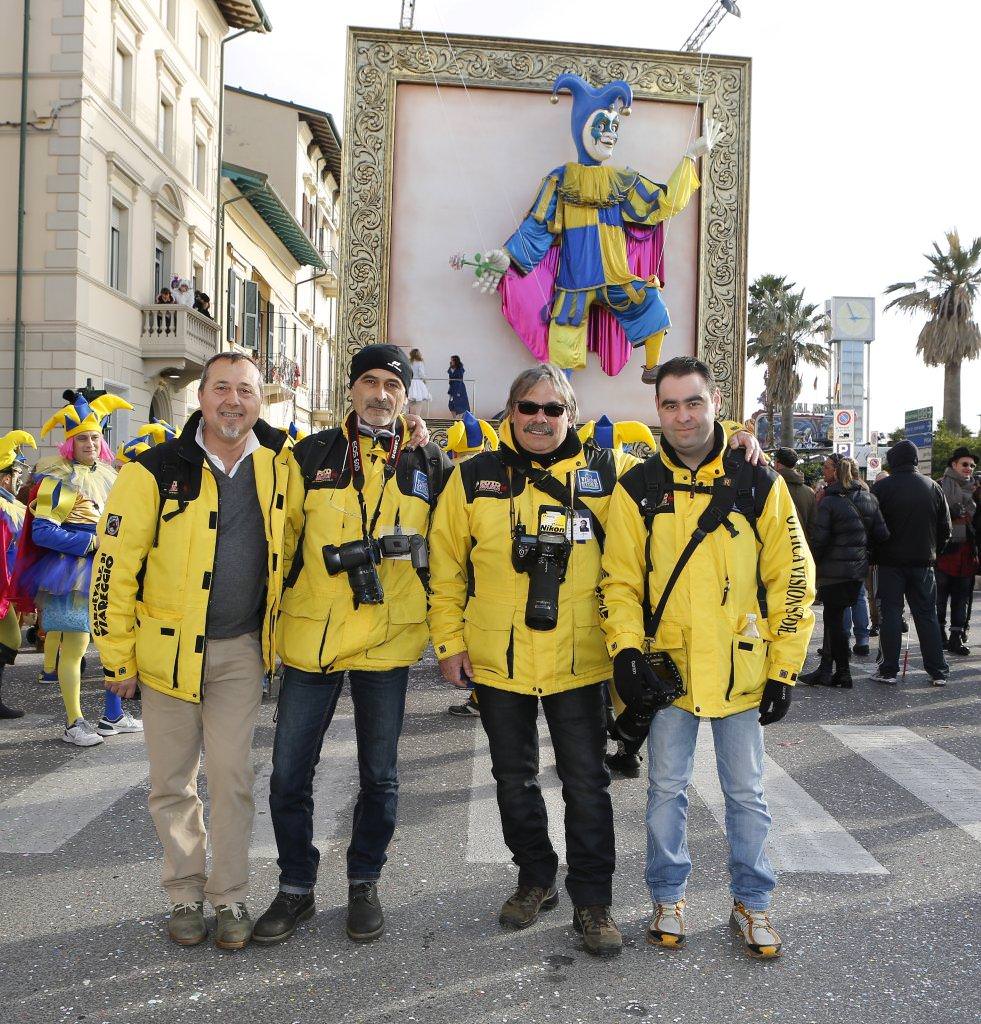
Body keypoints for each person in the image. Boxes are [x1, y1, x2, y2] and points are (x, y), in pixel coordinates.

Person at [429, 361, 765, 957]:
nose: (539, 419)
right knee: (513, 778)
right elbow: (447, 567)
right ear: (511, 413)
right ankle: (535, 878)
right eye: (528, 408)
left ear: (572, 416)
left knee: (587, 784)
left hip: (582, 657)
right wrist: (449, 642)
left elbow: (684, 459)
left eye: (553, 409)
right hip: (498, 657)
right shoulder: (472, 476)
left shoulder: (610, 475)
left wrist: (741, 437)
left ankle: (593, 901)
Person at [600, 356, 815, 959]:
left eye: (692, 402)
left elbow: (794, 574)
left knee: (746, 793)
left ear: (715, 401)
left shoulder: (758, 480)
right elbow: (618, 580)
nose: (682, 416)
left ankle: (753, 901)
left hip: (741, 671)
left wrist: (785, 665)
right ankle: (667, 895)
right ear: (658, 412)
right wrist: (624, 652)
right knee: (665, 789)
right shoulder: (635, 487)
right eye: (669, 405)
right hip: (667, 674)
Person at [91, 352, 299, 950]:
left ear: (262, 402)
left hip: (240, 652)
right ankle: (184, 890)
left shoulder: (281, 467)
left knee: (232, 777)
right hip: (164, 655)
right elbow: (113, 567)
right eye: (222, 389)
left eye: (247, 391)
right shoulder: (152, 469)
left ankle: (230, 898)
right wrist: (118, 657)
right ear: (201, 397)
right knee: (171, 782)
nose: (234, 401)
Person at [253, 344, 444, 948]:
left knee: (380, 777)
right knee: (288, 774)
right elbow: (274, 542)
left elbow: (458, 550)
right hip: (314, 640)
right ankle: (296, 887)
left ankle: (364, 880)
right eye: (369, 380)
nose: (380, 393)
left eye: (393, 383)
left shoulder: (429, 463)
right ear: (351, 388)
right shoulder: (309, 454)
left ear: (406, 396)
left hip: (388, 641)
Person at [13, 392, 141, 746]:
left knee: (115, 641)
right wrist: (89, 543)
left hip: (109, 569)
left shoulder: (110, 475)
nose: (89, 443)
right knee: (76, 647)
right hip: (71, 575)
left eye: (95, 437)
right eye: (82, 438)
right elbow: (42, 531)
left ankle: (112, 715)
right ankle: (73, 722)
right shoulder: (58, 480)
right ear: (70, 443)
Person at [800, 456, 888, 688]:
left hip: (832, 570)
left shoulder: (830, 502)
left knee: (834, 621)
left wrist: (812, 563)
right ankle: (831, 670)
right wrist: (864, 553)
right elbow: (882, 535)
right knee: (838, 620)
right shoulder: (870, 499)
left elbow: (820, 539)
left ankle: (842, 672)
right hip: (857, 569)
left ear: (836, 473)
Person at [869, 439, 951, 686]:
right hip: (924, 561)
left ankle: (889, 670)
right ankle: (938, 671)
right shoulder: (933, 487)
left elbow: (872, 526)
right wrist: (934, 550)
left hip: (890, 562)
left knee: (891, 614)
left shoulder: (882, 488)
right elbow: (945, 528)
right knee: (926, 615)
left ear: (893, 461)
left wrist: (874, 554)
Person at [0, 430, 37, 718]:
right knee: (11, 639)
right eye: (15, 474)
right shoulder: (2, 509)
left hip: (6, 588)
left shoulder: (9, 505)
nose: (19, 479)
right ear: (5, 478)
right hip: (2, 589)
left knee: (11, 639)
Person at [935, 447, 978, 656]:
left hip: (966, 551)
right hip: (944, 550)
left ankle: (956, 637)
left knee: (962, 597)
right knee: (940, 597)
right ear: (954, 465)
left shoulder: (974, 488)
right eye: (964, 464)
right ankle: (938, 634)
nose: (968, 468)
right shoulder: (941, 486)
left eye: (971, 465)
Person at [773, 447, 816, 540]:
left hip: (777, 548)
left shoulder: (771, 489)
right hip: (802, 548)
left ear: (777, 463)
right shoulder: (809, 492)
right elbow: (812, 527)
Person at [407, 348, 432, 415]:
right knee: (419, 401)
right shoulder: (420, 362)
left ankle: (411, 415)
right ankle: (417, 415)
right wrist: (425, 379)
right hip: (418, 382)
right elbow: (421, 373)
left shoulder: (409, 362)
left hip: (410, 381)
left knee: (410, 401)